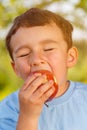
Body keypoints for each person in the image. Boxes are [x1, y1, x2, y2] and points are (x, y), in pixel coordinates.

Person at [0, 7, 87, 130]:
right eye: (24, 54)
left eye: (48, 49)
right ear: (16, 69)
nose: (36, 60)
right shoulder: (6, 110)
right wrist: (27, 116)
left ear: (70, 57)